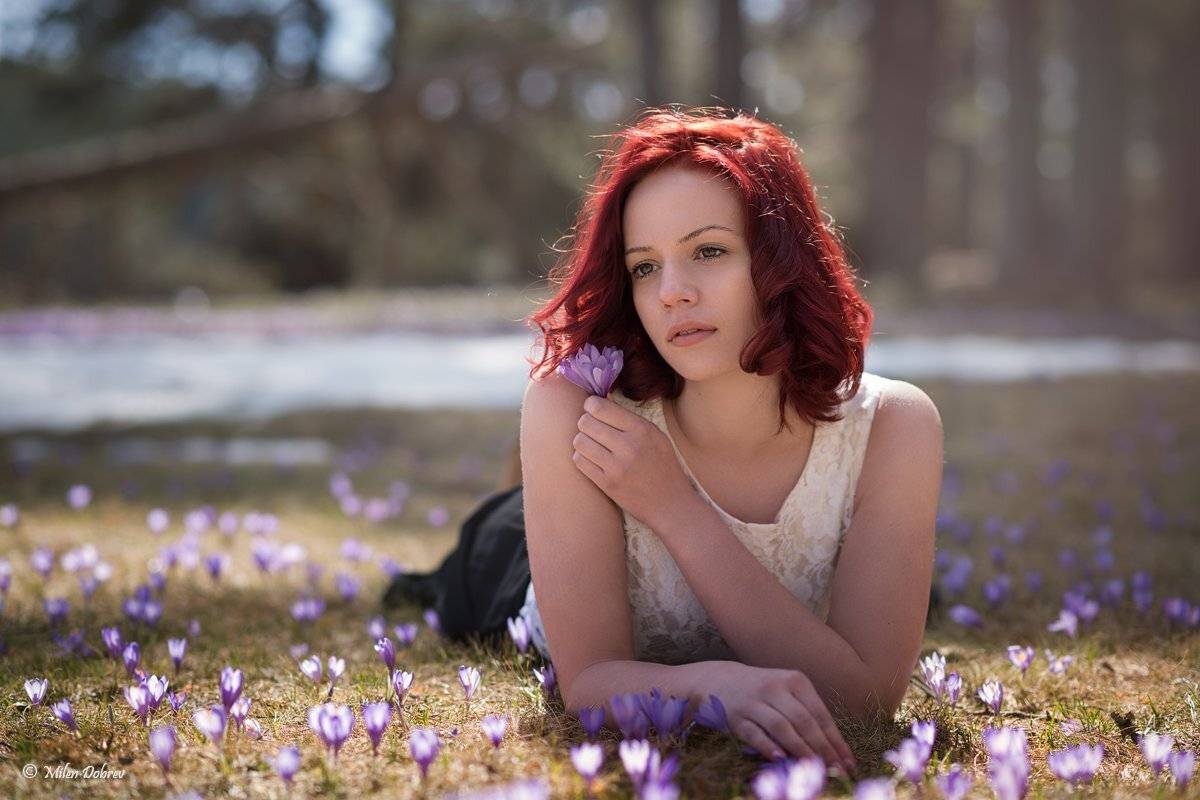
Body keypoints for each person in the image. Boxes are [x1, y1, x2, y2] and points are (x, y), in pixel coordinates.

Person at [384, 107, 943, 775]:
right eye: (645, 267)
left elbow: (866, 704)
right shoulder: (574, 406)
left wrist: (673, 504)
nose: (672, 293)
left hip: (643, 481)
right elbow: (588, 681)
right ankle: (523, 493)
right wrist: (710, 690)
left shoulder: (894, 426)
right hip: (517, 569)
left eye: (709, 251)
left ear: (779, 261)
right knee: (460, 565)